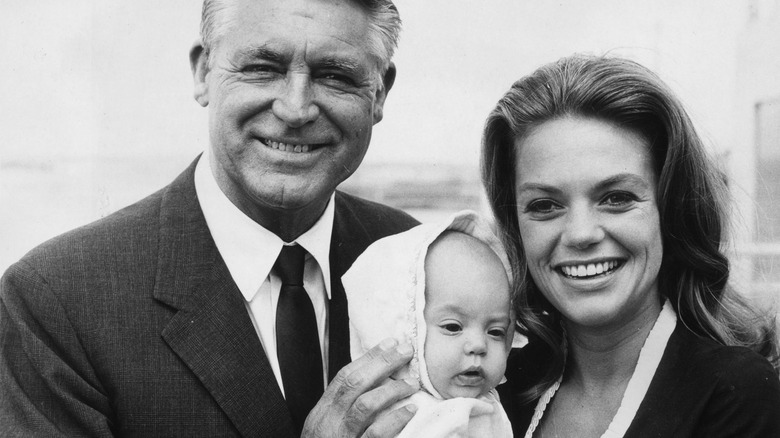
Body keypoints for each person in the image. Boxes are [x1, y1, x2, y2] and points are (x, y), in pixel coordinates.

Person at [0, 1, 423, 437]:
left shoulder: (422, 259)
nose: (296, 109)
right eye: (263, 67)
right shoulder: (60, 298)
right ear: (203, 73)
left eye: (335, 76)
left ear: (379, 93)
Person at [481, 54, 780, 437]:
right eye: (545, 206)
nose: (580, 234)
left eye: (617, 198)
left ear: (669, 208)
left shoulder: (733, 392)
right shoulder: (497, 384)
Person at [343, 210, 518, 437]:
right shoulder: (414, 419)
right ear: (405, 331)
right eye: (453, 327)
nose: (479, 345)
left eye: (495, 331)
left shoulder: (483, 403)